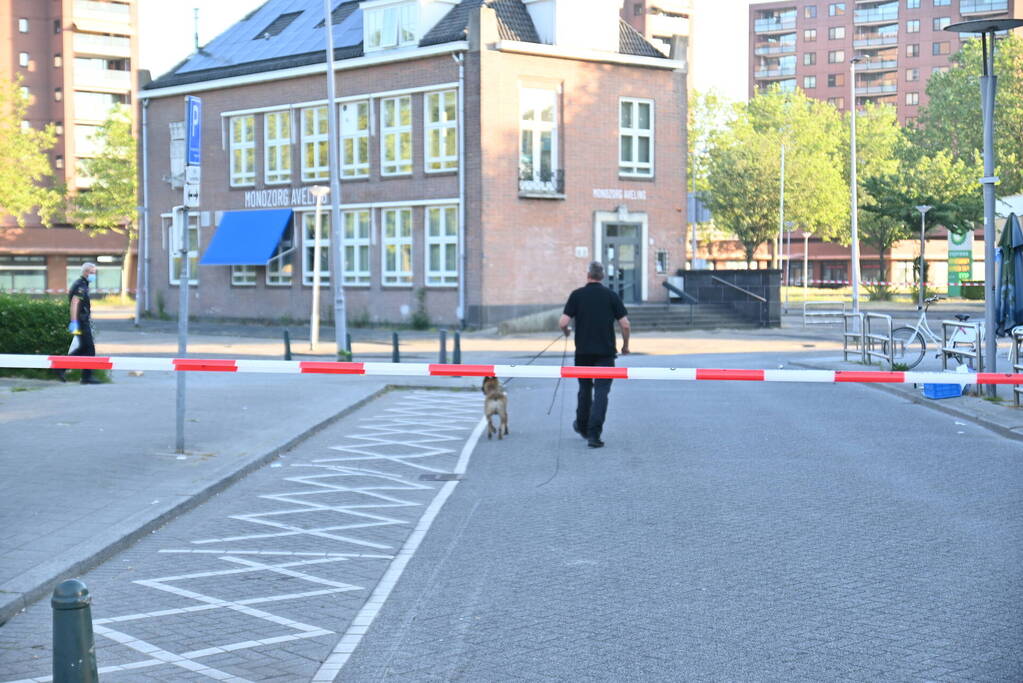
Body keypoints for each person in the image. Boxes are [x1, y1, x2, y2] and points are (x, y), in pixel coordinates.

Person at [559, 261, 630, 448]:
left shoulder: (577, 295)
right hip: (605, 353)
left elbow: (563, 322)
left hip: (583, 353)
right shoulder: (611, 296)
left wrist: (567, 332)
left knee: (584, 389)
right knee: (601, 393)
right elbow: (625, 324)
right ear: (603, 277)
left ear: (588, 275)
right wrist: (625, 346)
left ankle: (581, 426)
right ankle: (594, 435)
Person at [60, 262, 101, 385]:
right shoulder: (81, 286)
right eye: (93, 272)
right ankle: (86, 377)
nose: (94, 275)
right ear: (86, 272)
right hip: (81, 322)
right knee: (89, 349)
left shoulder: (83, 284)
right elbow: (74, 303)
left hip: (82, 321)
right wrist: (74, 322)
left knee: (84, 348)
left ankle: (60, 367)